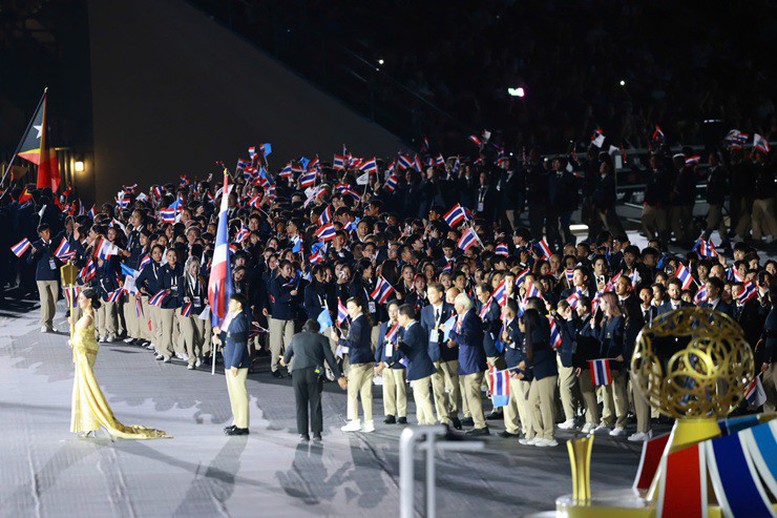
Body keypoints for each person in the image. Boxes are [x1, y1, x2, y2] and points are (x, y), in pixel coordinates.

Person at [69, 288, 170, 439]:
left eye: (82, 298)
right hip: (84, 356)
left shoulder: (87, 318)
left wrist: (72, 332)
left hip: (84, 356)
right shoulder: (87, 316)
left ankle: (91, 422)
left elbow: (80, 340)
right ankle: (88, 424)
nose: (79, 301)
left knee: (87, 389)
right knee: (84, 389)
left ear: (89, 300)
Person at [281, 319, 347, 441]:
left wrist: (283, 360)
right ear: (318, 329)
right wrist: (338, 377)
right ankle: (316, 434)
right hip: (315, 372)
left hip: (298, 372)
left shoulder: (296, 337)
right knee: (315, 402)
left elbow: (286, 358)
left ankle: (303, 434)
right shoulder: (322, 339)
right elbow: (330, 360)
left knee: (300, 403)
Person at [448, 293, 488, 436]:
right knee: (470, 395)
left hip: (472, 362)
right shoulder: (467, 318)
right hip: (467, 362)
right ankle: (479, 423)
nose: (454, 307)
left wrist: (452, 334)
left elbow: (466, 339)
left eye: (455, 304)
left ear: (462, 306)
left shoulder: (470, 319)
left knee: (473, 395)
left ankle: (480, 425)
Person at [390, 304, 437, 425]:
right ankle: (422, 421)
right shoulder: (415, 328)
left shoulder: (413, 330)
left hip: (420, 367)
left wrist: (398, 346)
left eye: (399, 316)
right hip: (418, 366)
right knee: (418, 396)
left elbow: (406, 348)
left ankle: (431, 422)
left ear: (405, 317)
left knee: (422, 396)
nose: (398, 319)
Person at [334, 297, 375, 433]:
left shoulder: (357, 322)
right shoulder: (364, 320)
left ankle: (354, 421)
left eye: (352, 308)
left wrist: (338, 340)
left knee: (352, 392)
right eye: (348, 308)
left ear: (359, 308)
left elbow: (354, 343)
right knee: (366, 393)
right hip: (368, 360)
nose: (349, 311)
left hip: (358, 361)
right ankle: (369, 422)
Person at [213, 294, 251, 436]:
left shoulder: (240, 320)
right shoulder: (235, 319)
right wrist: (220, 336)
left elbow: (241, 344)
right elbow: (231, 337)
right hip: (230, 361)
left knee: (240, 394)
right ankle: (237, 421)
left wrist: (235, 363)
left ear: (239, 305)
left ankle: (243, 425)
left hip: (237, 364)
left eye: (232, 302)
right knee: (234, 395)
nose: (229, 305)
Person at [524, 307, 558, 447]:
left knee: (546, 404)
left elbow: (538, 353)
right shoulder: (534, 333)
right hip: (539, 372)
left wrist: (525, 363)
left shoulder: (538, 333)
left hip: (546, 371)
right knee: (532, 401)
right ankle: (540, 432)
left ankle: (549, 435)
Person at [374, 300, 408, 425]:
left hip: (398, 361)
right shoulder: (383, 326)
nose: (393, 313)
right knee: (388, 388)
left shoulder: (403, 326)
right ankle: (390, 413)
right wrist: (377, 362)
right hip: (385, 361)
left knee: (401, 388)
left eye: (395, 311)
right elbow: (379, 346)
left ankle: (402, 414)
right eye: (391, 311)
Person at [29, 223, 60, 333]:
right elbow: (29, 261)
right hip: (42, 276)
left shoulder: (54, 243)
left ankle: (50, 323)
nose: (48, 234)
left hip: (53, 275)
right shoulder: (36, 244)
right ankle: (44, 323)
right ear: (41, 234)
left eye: (49, 231)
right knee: (45, 300)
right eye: (46, 232)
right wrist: (32, 254)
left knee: (53, 301)